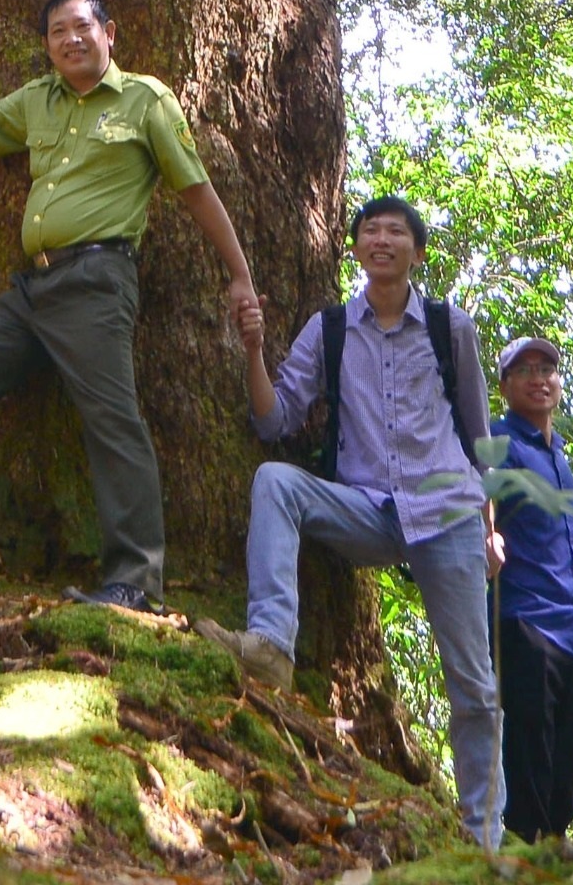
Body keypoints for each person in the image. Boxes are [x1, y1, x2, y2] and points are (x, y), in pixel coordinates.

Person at [0, 0, 257, 615]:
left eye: (82, 26)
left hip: (96, 281)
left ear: (108, 33)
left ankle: (135, 582)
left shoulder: (145, 99)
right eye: (58, 31)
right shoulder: (38, 100)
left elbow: (195, 189)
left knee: (112, 418)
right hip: (32, 288)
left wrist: (240, 275)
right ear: (48, 47)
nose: (71, 39)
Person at [197, 195, 504, 847]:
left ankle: (483, 840)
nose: (383, 240)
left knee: (475, 688)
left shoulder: (452, 329)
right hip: (368, 508)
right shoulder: (331, 328)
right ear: (357, 249)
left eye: (397, 232)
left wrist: (491, 525)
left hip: (449, 517)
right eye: (371, 230)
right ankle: (270, 645)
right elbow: (273, 420)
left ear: (417, 252)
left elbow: (481, 444)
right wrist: (253, 350)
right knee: (275, 480)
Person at [490, 335, 573, 845]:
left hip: (572, 626)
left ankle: (555, 845)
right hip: (524, 617)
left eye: (547, 369)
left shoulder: (559, 457)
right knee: (529, 744)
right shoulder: (498, 443)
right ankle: (526, 846)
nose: (538, 378)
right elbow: (467, 497)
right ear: (506, 385)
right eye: (525, 370)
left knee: (567, 742)